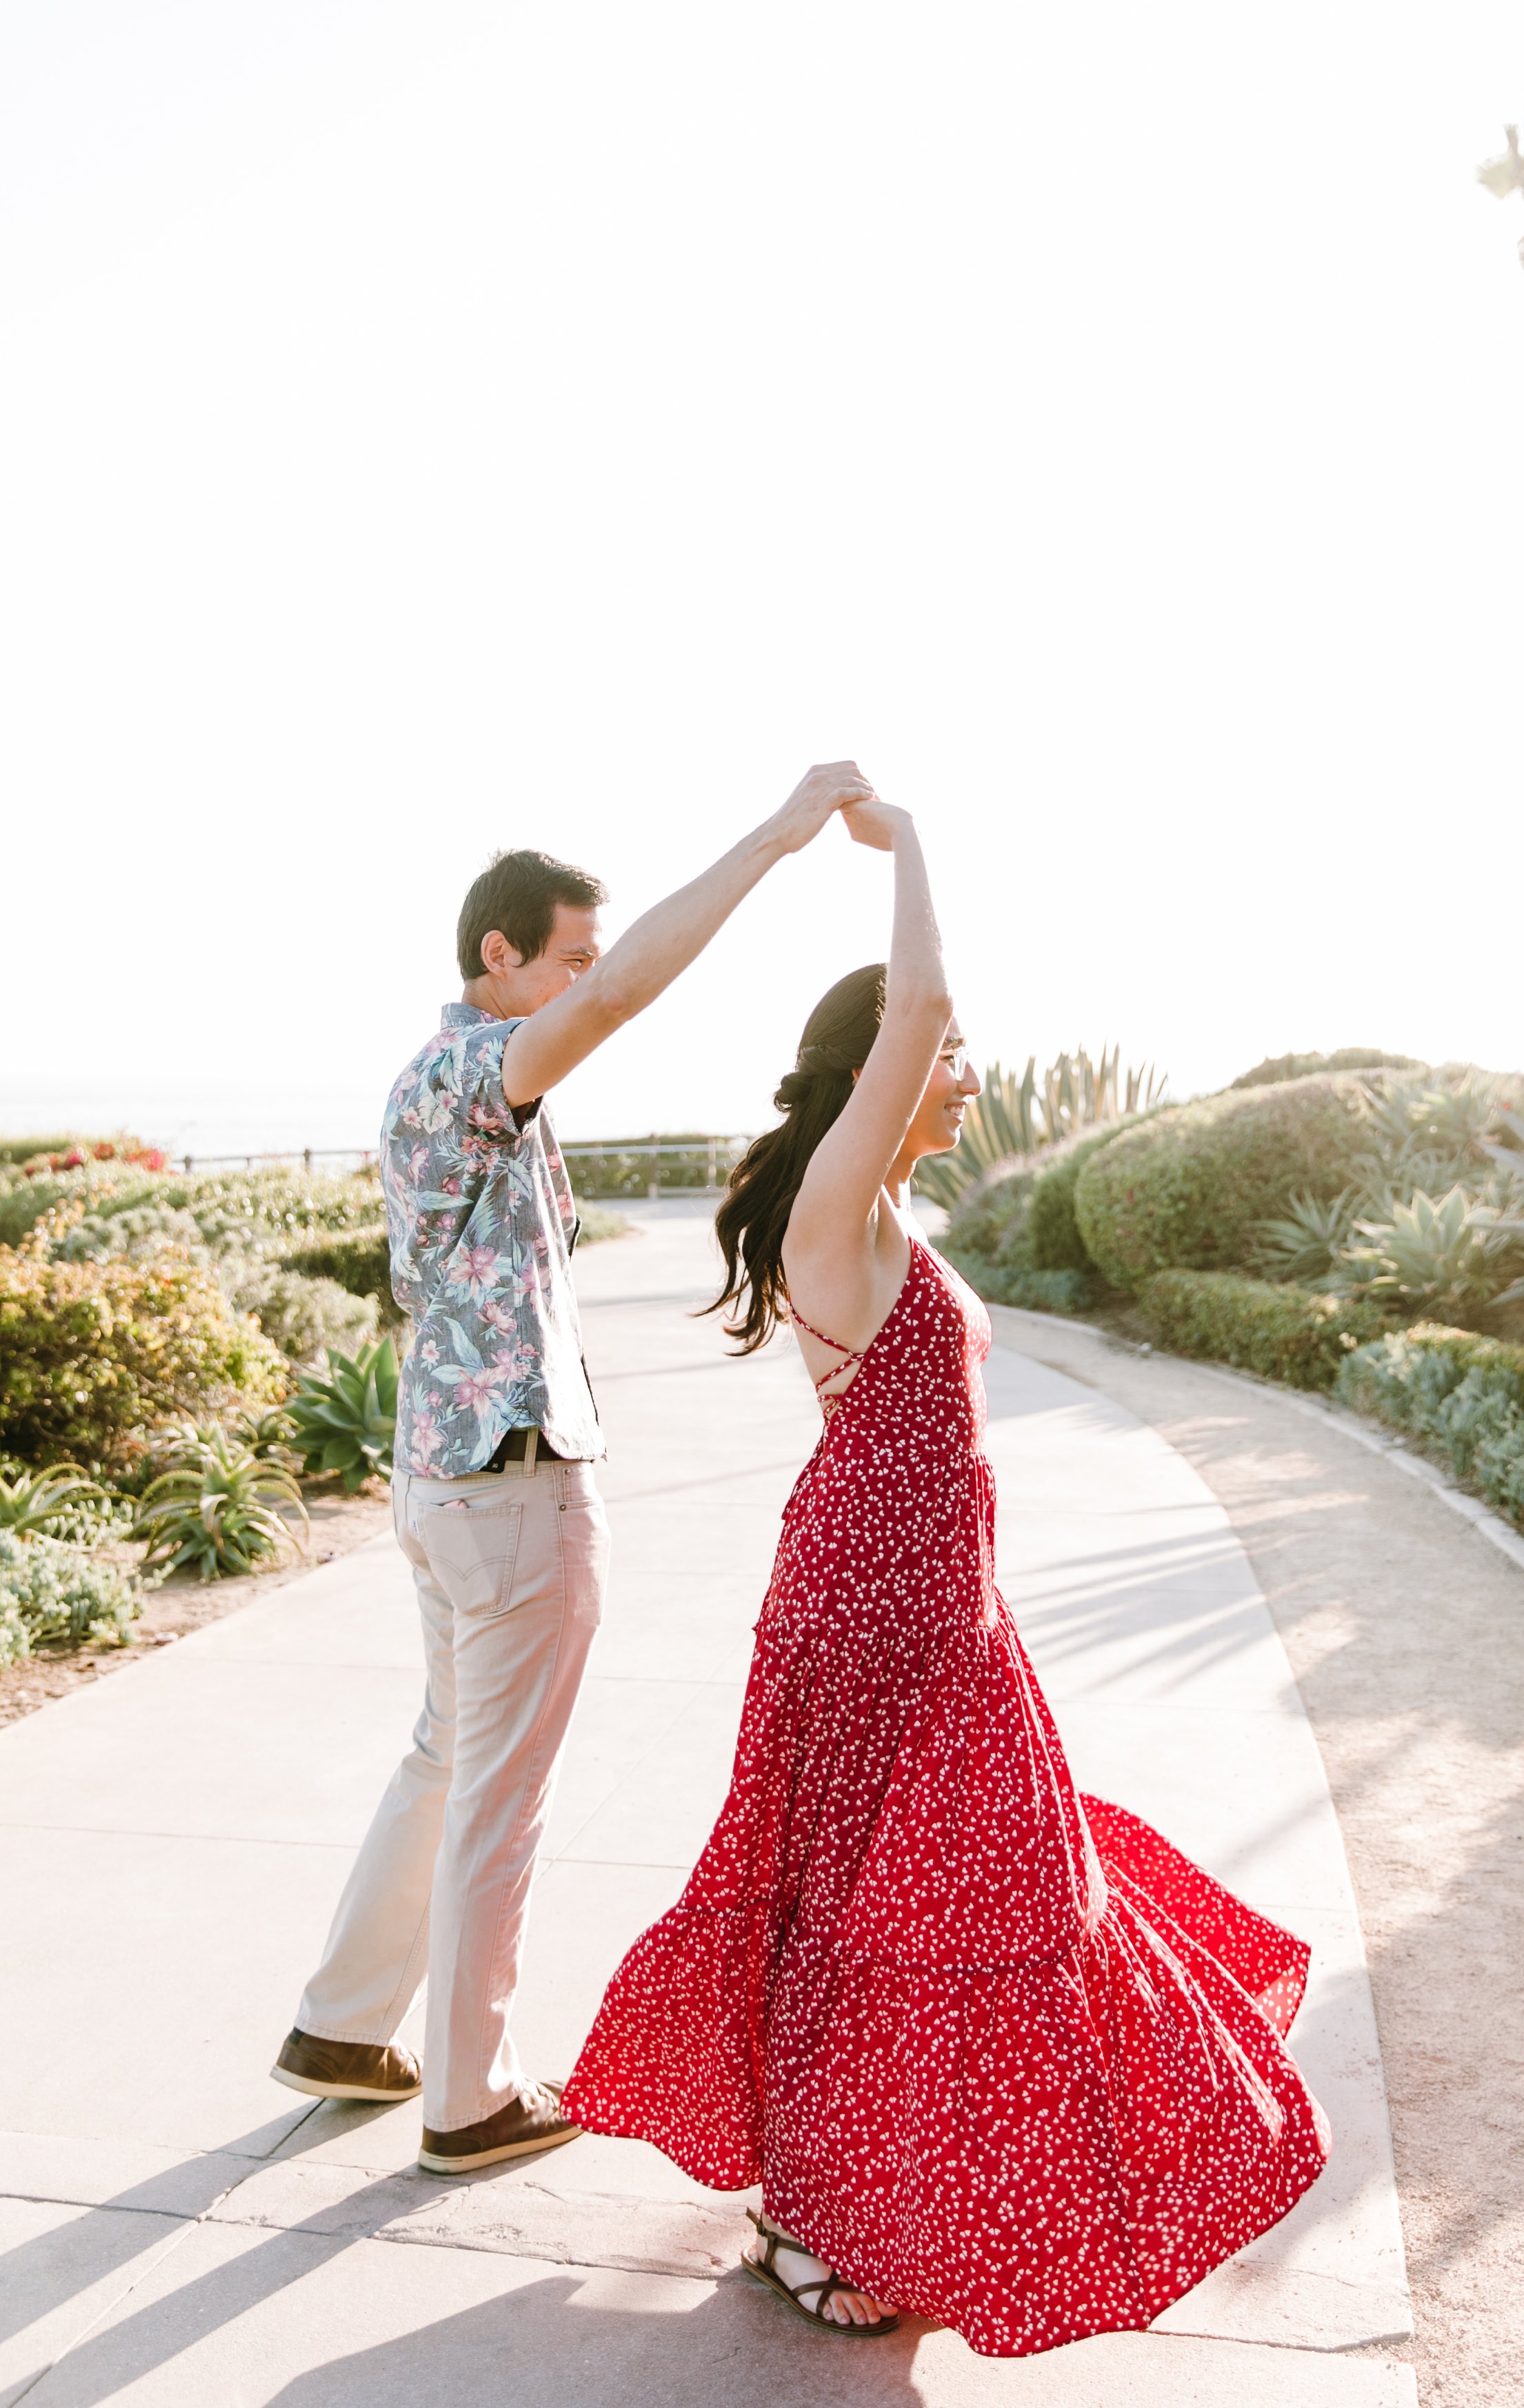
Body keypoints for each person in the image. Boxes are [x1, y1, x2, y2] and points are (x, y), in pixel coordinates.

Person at [561, 798, 1330, 2354]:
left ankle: (829, 2204)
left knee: (915, 1914)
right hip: (870, 1625)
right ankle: (814, 2217)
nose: (963, 1068)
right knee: (897, 1917)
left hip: (936, 1613)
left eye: (966, 1049)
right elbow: (911, 1003)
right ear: (879, 1075)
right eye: (948, 1051)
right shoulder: (835, 1217)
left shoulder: (889, 1214)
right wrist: (896, 837)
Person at [271, 761, 875, 2178]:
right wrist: (778, 839)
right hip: (511, 1481)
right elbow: (613, 1005)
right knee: (498, 1788)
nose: (590, 983)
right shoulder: (475, 1071)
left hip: (448, 1479)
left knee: (445, 1759)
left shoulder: (435, 1080)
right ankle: (469, 2097)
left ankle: (341, 2026)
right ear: (499, 957)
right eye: (569, 956)